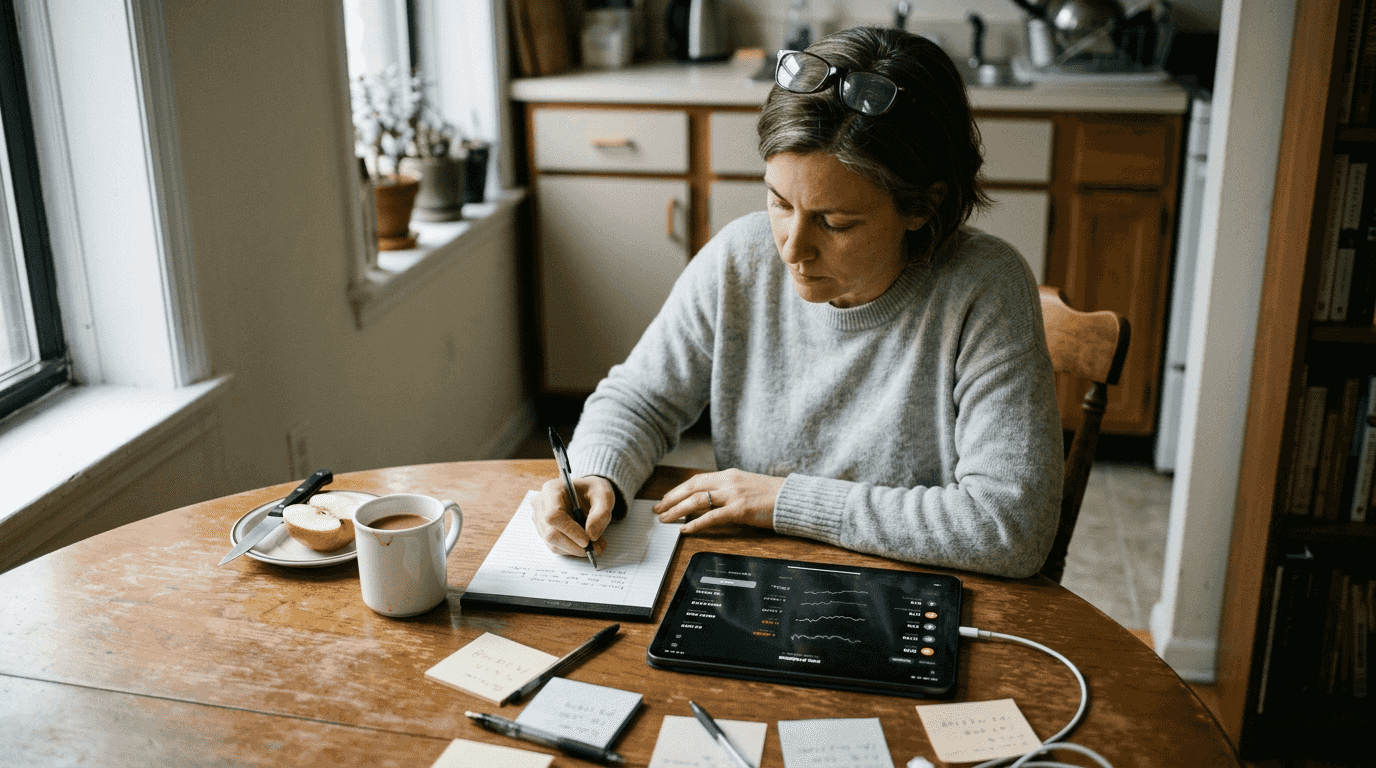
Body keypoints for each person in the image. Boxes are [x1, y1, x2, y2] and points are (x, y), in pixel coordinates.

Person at [532, 27, 1063, 579]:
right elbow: (640, 399)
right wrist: (598, 474)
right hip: (762, 577)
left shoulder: (985, 288)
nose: (791, 247)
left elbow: (1011, 526)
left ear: (923, 206)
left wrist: (783, 501)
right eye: (779, 202)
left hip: (912, 591)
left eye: (834, 222)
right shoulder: (740, 257)